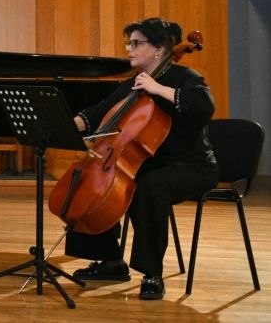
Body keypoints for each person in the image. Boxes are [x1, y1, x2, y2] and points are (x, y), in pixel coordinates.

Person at [65, 17, 217, 300]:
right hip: (150, 163)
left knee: (148, 186)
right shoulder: (131, 84)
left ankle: (152, 274)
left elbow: (204, 107)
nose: (129, 49)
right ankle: (111, 261)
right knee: (97, 183)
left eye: (136, 43)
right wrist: (64, 124)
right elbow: (99, 112)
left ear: (159, 49)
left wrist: (158, 89)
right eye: (128, 43)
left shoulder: (185, 78)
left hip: (190, 164)